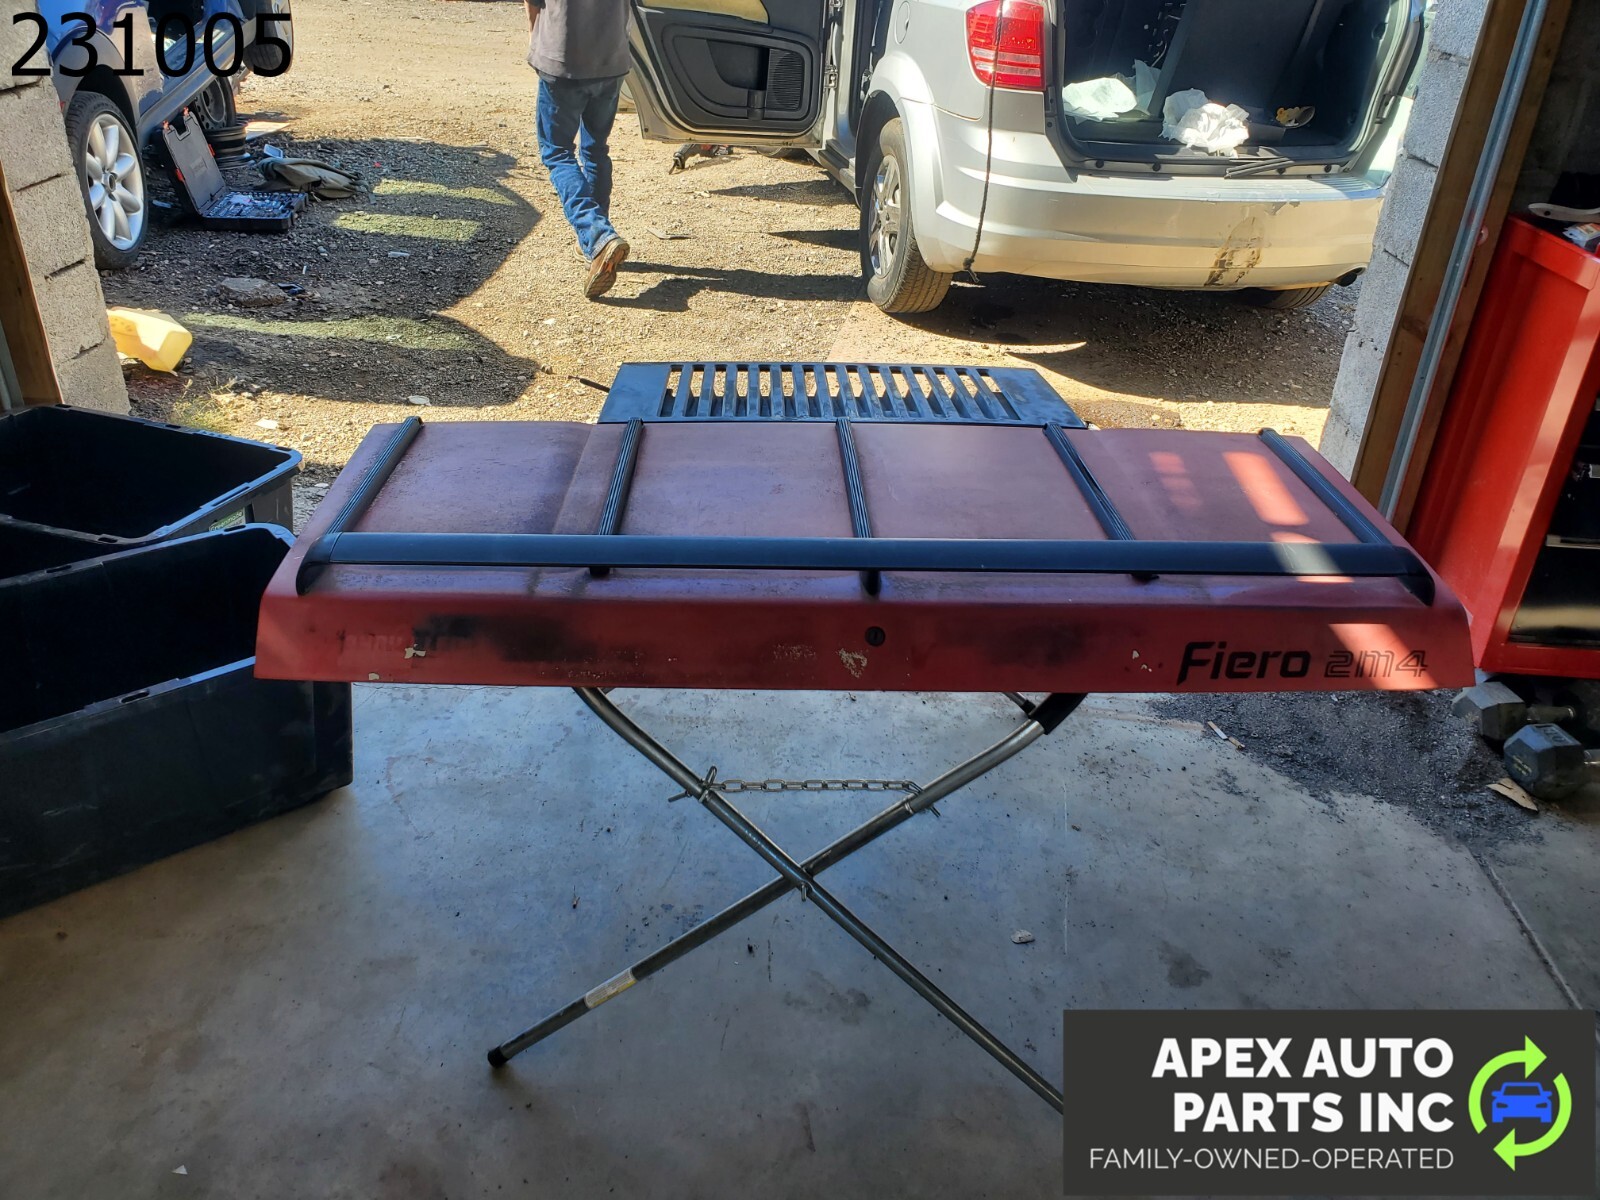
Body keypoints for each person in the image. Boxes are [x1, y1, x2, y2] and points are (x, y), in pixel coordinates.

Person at [524, 0, 632, 298]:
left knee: (557, 153)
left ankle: (597, 235)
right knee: (596, 150)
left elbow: (533, 5)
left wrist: (534, 40)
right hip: (612, 61)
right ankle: (598, 246)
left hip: (562, 60)